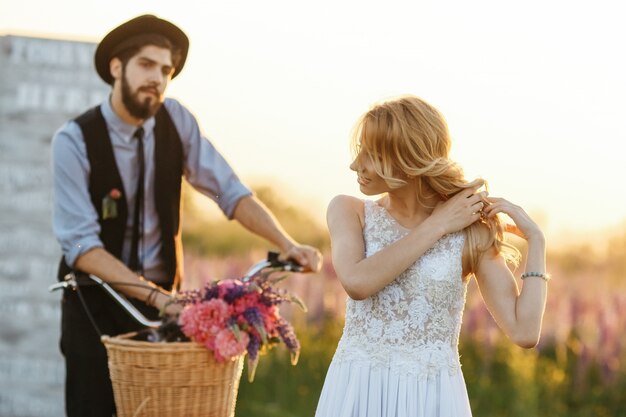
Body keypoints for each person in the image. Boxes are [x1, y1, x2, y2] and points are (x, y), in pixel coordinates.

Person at [51, 14, 322, 417]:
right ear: (116, 67)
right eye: (146, 65)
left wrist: (287, 243)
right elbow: (81, 247)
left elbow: (229, 191)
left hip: (166, 305)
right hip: (96, 304)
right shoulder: (74, 140)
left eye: (166, 70)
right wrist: (165, 302)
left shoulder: (176, 121)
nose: (158, 78)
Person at [315, 95, 548, 417]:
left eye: (370, 154)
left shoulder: (470, 230)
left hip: (431, 397)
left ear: (406, 158)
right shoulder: (348, 210)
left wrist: (536, 241)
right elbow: (357, 282)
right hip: (358, 387)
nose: (356, 165)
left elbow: (524, 332)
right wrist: (438, 225)